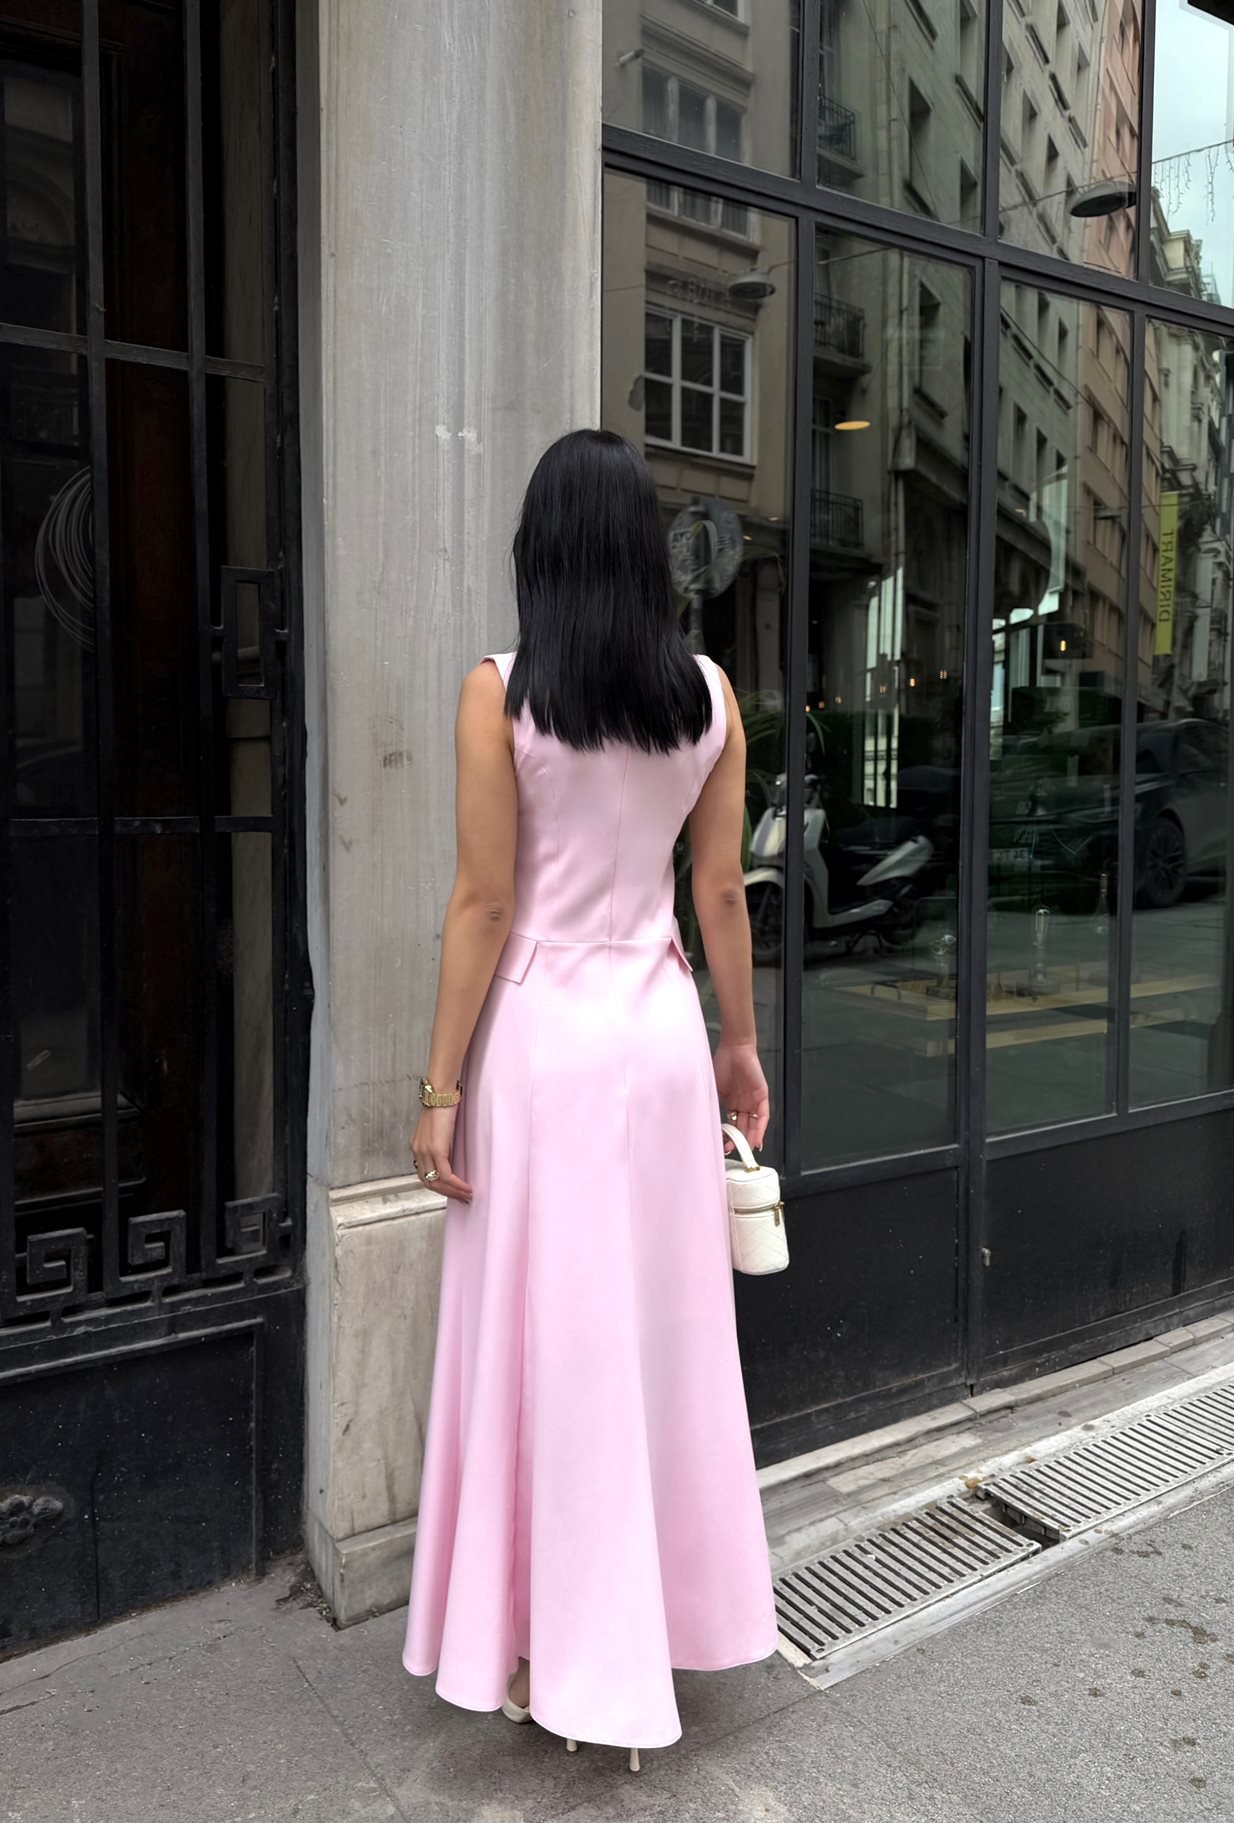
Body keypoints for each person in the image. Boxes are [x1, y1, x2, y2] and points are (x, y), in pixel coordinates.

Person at [401, 429, 779, 1771]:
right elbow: (720, 892)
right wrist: (740, 1046)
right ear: (645, 552)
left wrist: (438, 1087)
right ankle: (644, 1629)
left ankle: (530, 1646)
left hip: (545, 1047)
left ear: (539, 550)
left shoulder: (500, 693)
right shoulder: (709, 699)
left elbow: (483, 902)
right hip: (659, 1037)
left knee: (540, 1340)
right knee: (658, 1339)